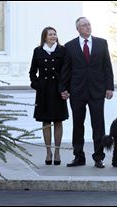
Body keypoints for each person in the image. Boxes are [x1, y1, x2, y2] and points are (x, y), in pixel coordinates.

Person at [59, 17, 114, 168]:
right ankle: (78, 157)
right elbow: (66, 69)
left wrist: (110, 87)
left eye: (89, 24)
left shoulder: (101, 43)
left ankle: (98, 157)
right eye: (84, 25)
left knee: (98, 125)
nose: (87, 27)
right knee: (78, 125)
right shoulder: (69, 46)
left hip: (97, 91)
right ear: (78, 29)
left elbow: (107, 67)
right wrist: (62, 88)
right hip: (77, 91)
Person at [29, 26, 69, 165]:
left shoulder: (62, 50)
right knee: (46, 122)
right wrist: (36, 85)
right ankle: (48, 152)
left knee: (58, 121)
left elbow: (67, 71)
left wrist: (65, 88)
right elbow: (32, 72)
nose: (53, 36)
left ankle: (57, 152)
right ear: (44, 37)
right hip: (44, 91)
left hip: (58, 90)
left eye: (55, 34)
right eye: (50, 34)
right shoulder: (38, 51)